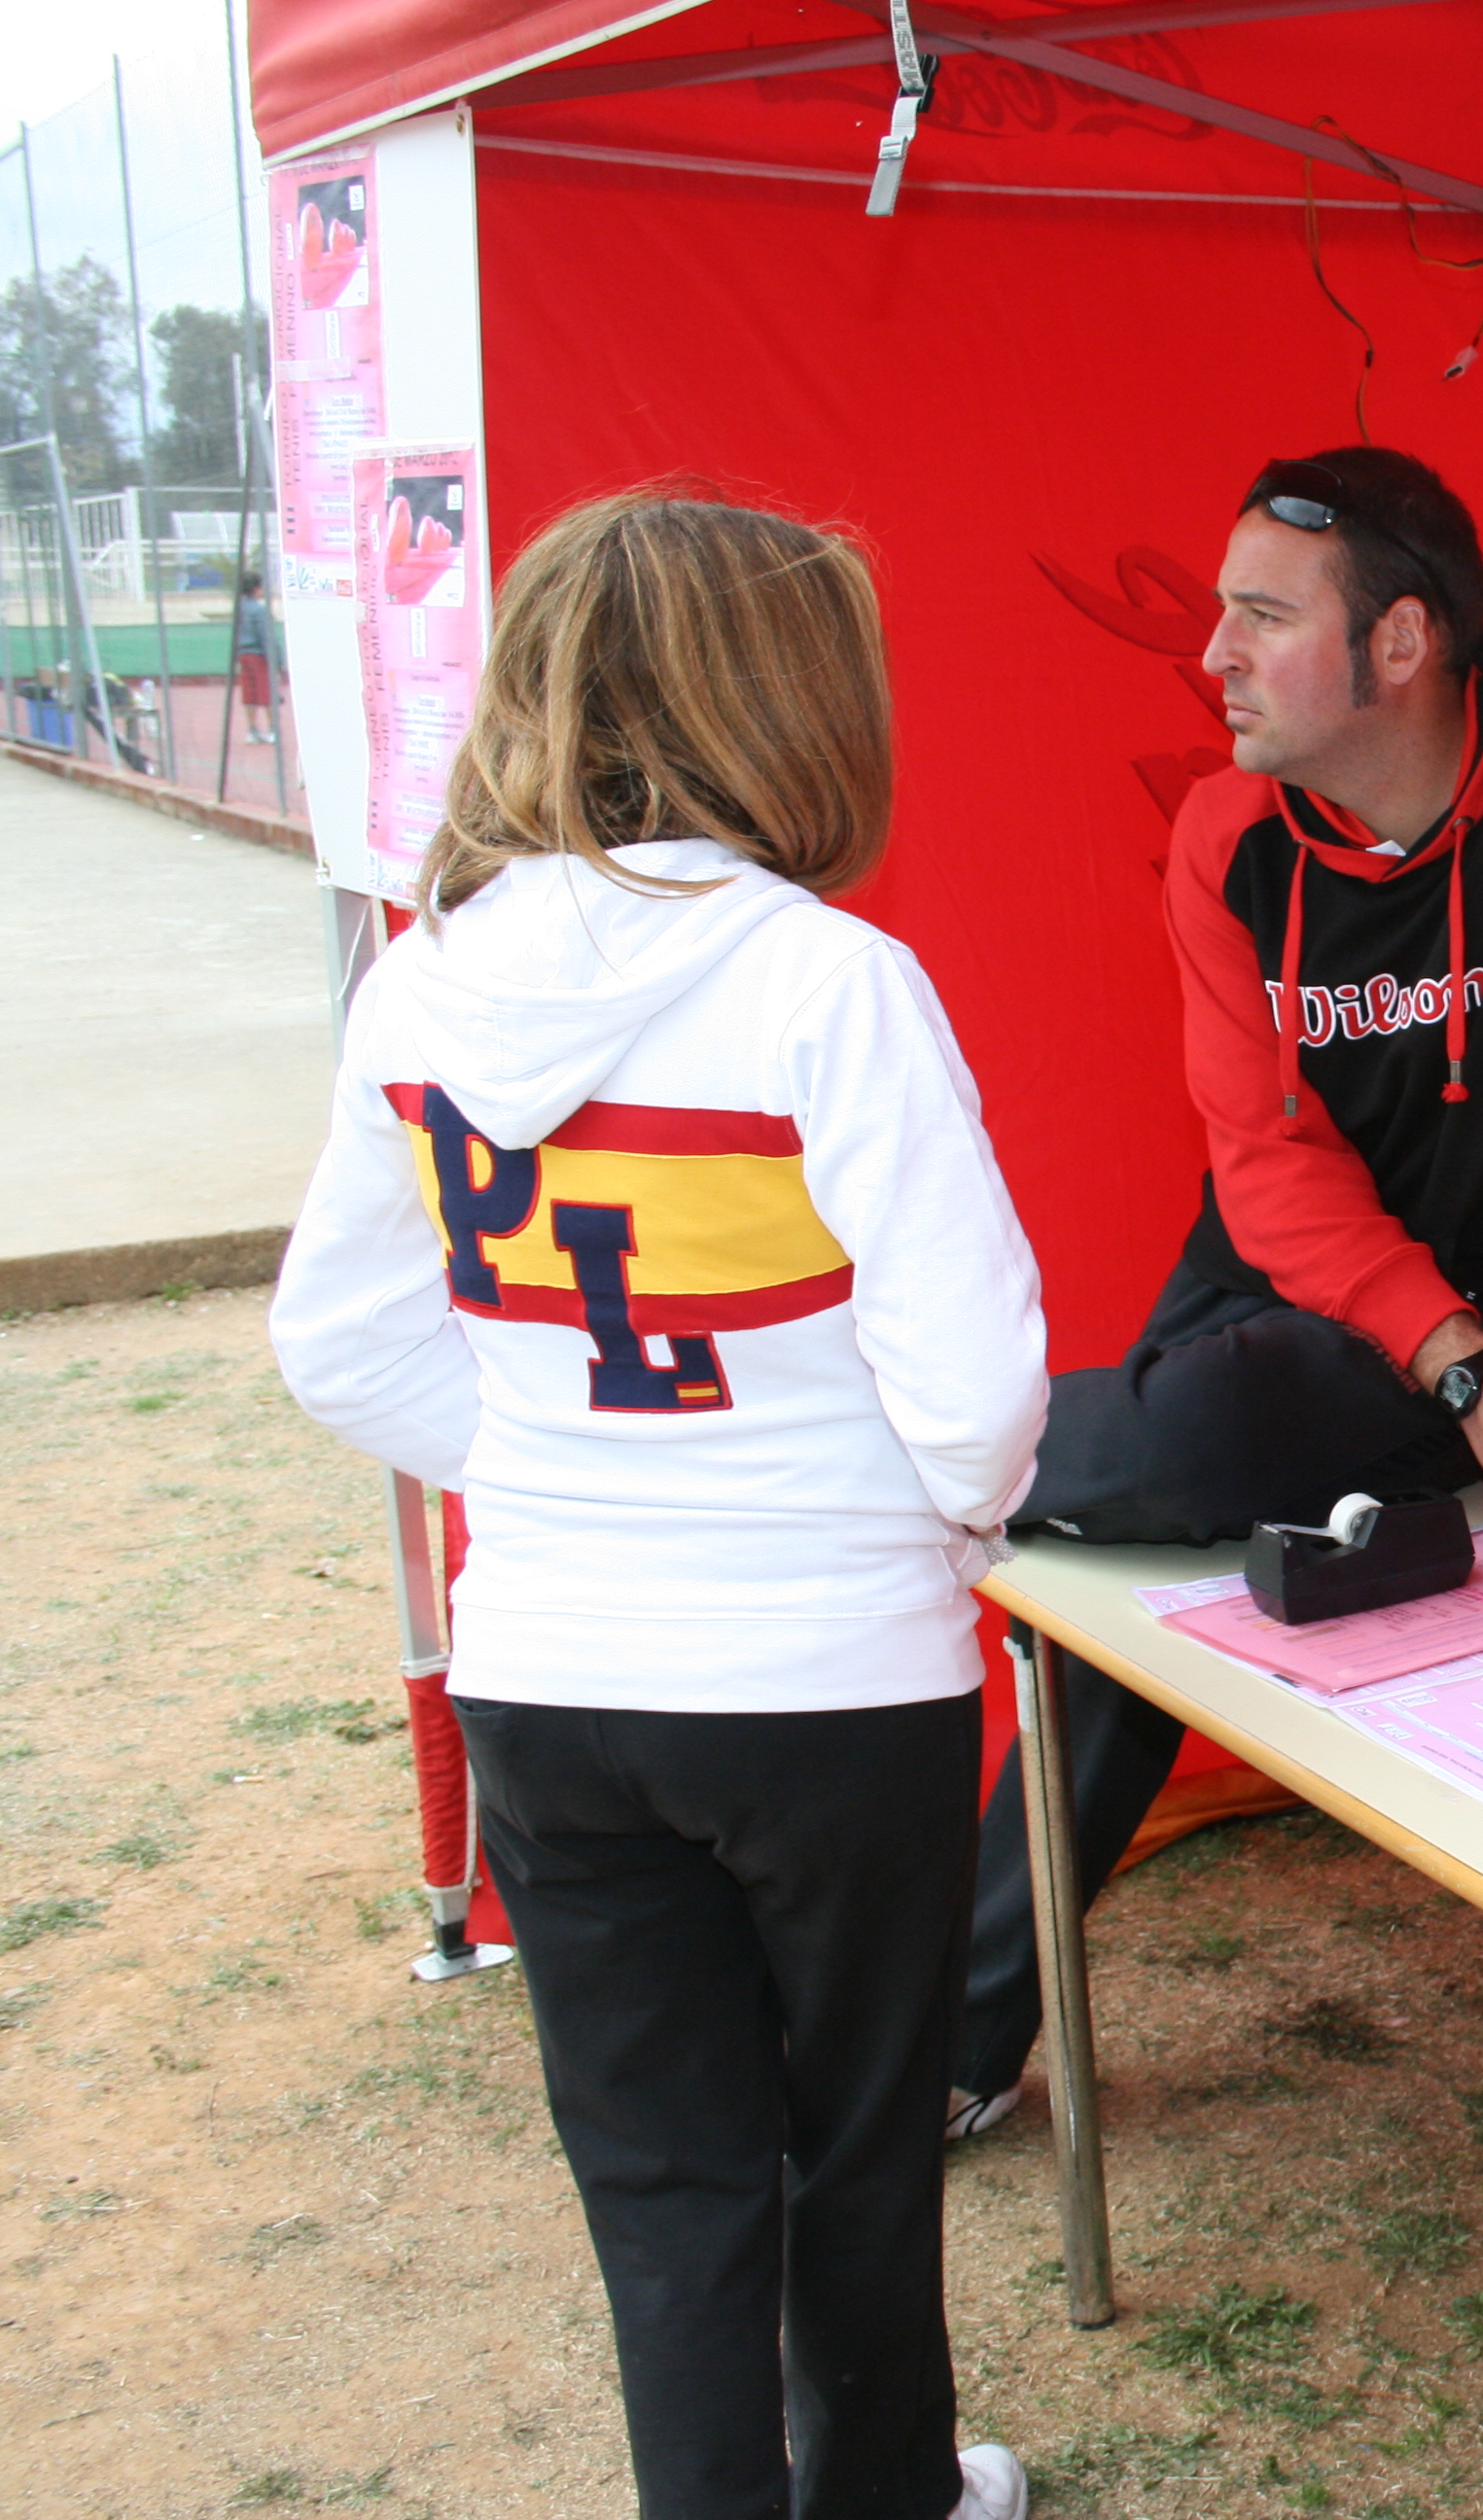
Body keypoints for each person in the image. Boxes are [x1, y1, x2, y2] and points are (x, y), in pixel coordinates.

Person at [269, 492, 1047, 2520]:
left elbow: (336, 1341)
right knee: (851, 2148)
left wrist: (561, 1474)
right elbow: (976, 1391)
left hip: (549, 1674)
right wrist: (920, 1526)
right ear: (793, 703)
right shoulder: (831, 980)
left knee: (665, 2188)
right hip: (834, 1683)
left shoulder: (420, 986)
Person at [954, 445, 1483, 2133]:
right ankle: (959, 2034)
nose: (1214, 655)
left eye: (1262, 616)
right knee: (1149, 1537)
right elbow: (1267, 1166)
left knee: (1194, 1460)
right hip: (1316, 1277)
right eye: (1221, 613)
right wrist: (1463, 1374)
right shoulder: (1223, 836)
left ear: (1401, 643)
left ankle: (941, 1461)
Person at [230, 571, 279, 744]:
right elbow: (265, 636)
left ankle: (252, 730)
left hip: (243, 654)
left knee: (249, 693)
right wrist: (276, 659)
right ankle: (272, 729)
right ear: (256, 589)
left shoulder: (238, 609)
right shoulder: (259, 610)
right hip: (259, 655)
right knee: (267, 692)